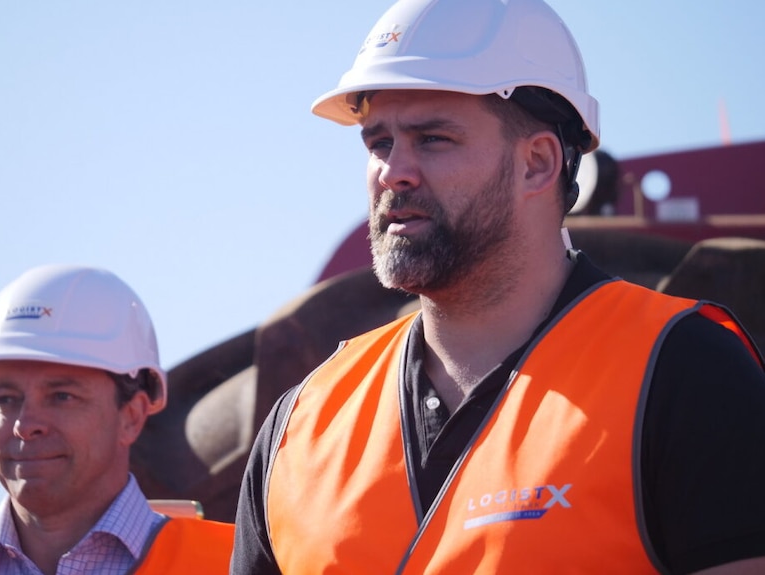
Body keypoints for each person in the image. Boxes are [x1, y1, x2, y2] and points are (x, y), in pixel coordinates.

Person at [229, 0, 765, 573]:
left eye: (432, 138)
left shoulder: (685, 370)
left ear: (537, 163)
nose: (393, 170)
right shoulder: (299, 427)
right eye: (378, 142)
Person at [0, 264, 234, 575]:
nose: (26, 424)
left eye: (62, 397)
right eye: (6, 399)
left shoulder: (237, 565)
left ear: (131, 417)